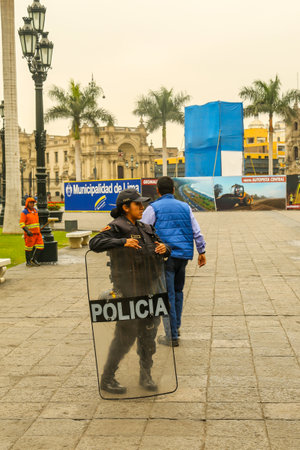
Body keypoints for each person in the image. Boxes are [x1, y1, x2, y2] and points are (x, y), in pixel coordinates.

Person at [89, 188, 170, 395]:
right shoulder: (117, 227)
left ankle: (146, 375)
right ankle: (107, 378)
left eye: (142, 204)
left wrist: (164, 249)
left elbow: (161, 246)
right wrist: (122, 242)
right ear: (125, 207)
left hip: (150, 291)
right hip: (129, 292)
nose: (142, 208)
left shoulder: (145, 227)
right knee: (124, 339)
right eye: (138, 204)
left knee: (148, 336)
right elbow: (95, 243)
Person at [142, 176, 206, 346]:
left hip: (164, 257)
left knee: (167, 295)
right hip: (183, 257)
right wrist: (202, 251)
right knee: (178, 292)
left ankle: (171, 337)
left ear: (157, 191)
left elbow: (142, 230)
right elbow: (196, 231)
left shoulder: (153, 208)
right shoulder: (185, 207)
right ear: (172, 190)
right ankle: (175, 329)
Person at [19, 197, 44, 267]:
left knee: (41, 246)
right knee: (28, 248)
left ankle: (34, 259)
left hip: (37, 233)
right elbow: (21, 223)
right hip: (30, 234)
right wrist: (27, 231)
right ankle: (28, 261)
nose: (32, 204)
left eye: (33, 203)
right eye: (31, 203)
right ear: (27, 203)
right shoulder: (24, 212)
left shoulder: (35, 211)